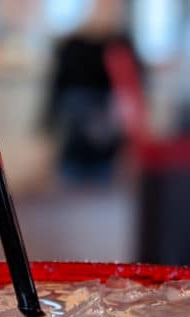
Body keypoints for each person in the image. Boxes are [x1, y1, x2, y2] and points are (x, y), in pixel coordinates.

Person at [42, 0, 142, 184]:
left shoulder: (122, 45)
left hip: (110, 141)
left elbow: (133, 95)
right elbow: (56, 91)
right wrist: (47, 130)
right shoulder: (71, 45)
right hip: (74, 139)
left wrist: (132, 140)